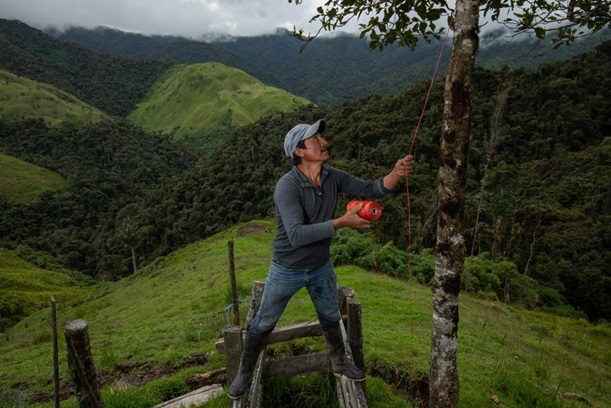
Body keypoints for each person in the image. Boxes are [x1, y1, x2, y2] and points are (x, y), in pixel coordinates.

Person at [228, 118, 415, 399]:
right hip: (287, 268)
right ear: (299, 152)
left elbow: (372, 189)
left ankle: (339, 362)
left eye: (320, 138)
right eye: (315, 139)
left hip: (320, 266)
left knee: (329, 315)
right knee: (263, 323)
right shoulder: (287, 186)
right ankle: (244, 373)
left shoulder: (331, 177)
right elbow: (296, 235)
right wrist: (341, 222)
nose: (324, 142)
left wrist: (396, 173)